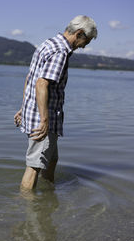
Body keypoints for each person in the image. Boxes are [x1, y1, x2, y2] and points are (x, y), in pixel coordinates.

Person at [14, 15, 97, 190]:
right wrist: (44, 121)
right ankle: (26, 207)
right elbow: (41, 83)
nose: (83, 47)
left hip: (36, 112)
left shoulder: (48, 43)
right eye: (85, 42)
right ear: (79, 33)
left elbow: (30, 77)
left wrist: (23, 108)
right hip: (44, 119)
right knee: (34, 166)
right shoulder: (61, 51)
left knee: (51, 159)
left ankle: (47, 197)